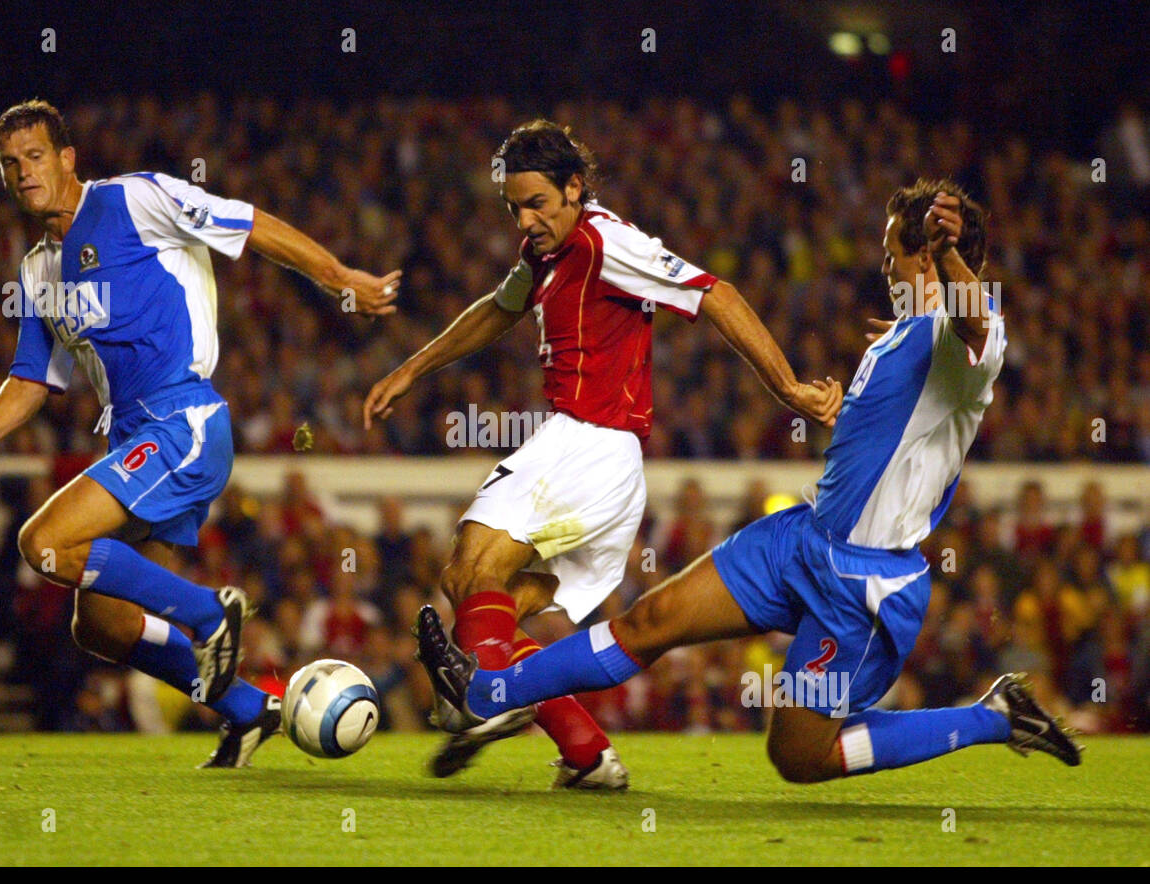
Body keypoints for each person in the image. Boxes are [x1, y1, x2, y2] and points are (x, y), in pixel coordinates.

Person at [418, 180, 1083, 783]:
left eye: (894, 255)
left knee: (798, 757)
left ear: (931, 255)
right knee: (653, 618)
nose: (885, 267)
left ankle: (994, 716)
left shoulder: (969, 345)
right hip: (800, 541)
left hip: (862, 585)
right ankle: (488, 690)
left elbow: (974, 324)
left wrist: (953, 261)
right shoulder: (905, 335)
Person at [365, 120, 840, 787]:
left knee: (473, 561)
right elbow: (500, 308)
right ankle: (584, 751)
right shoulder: (546, 255)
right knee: (484, 595)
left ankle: (487, 698)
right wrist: (414, 367)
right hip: (607, 469)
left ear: (574, 187)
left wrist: (787, 386)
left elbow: (716, 294)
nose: (525, 220)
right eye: (514, 209)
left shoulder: (604, 239)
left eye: (536, 204)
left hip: (586, 442)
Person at [0, 100, 400, 767]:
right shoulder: (37, 268)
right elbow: (34, 377)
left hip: (185, 421)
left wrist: (340, 278)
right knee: (103, 626)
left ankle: (210, 614)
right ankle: (245, 709)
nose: (23, 173)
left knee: (45, 544)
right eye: (10, 164)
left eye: (35, 157)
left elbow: (249, 223)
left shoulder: (136, 199)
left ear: (67, 158)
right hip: (131, 439)